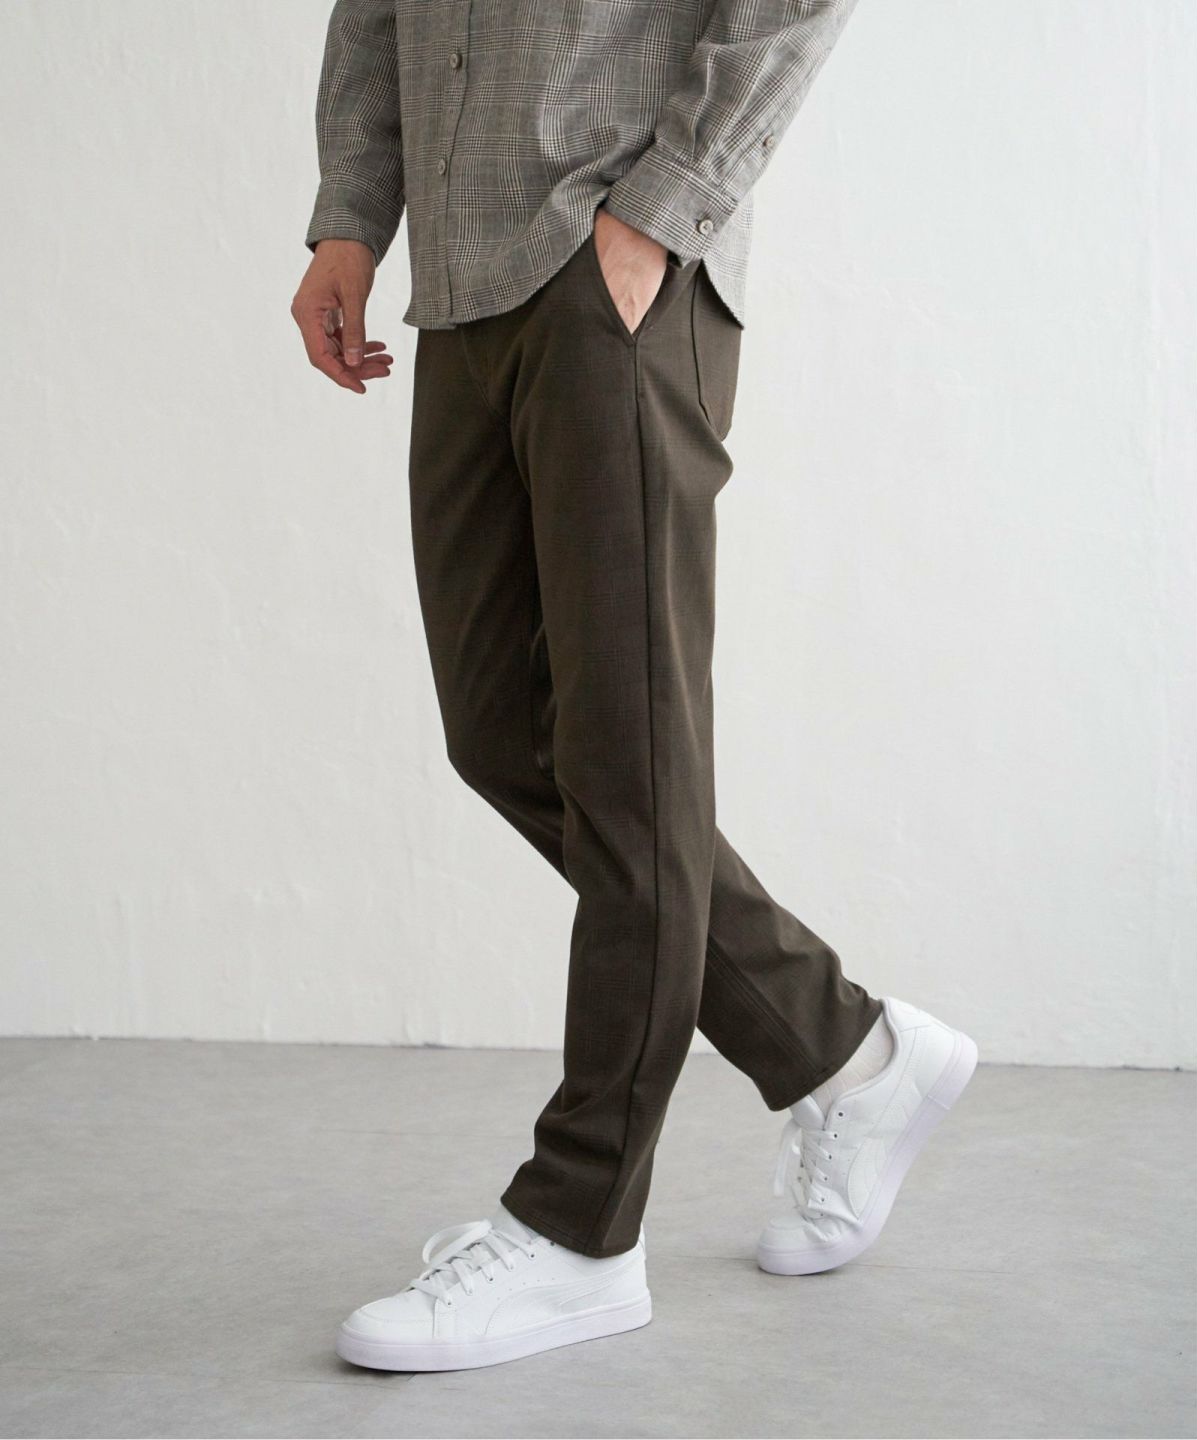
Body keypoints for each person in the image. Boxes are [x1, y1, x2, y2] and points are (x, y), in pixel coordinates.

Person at [292, 0, 976, 1375]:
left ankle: (580, 1229)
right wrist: (352, 216)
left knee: (631, 754)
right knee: (504, 732)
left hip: (617, 265)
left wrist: (666, 205)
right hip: (465, 280)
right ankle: (844, 1051)